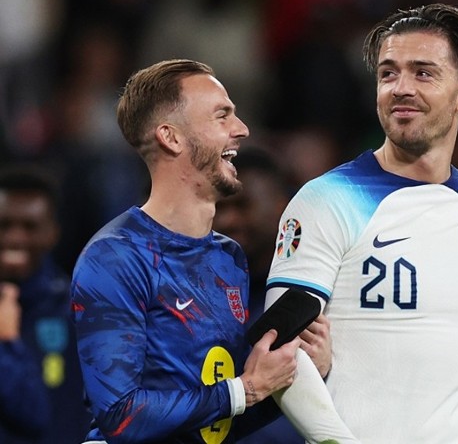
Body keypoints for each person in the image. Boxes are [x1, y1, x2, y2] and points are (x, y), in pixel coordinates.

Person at [70, 59, 357, 444]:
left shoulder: (228, 258)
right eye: (222, 116)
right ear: (171, 137)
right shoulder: (116, 257)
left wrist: (291, 375)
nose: (241, 130)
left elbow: (218, 423)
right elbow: (120, 418)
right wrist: (247, 389)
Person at [265, 3, 458, 443]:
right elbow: (281, 350)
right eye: (388, 73)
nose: (401, 88)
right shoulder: (328, 200)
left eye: (423, 73)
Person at [214, 146, 332, 443]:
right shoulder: (195, 298)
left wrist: (327, 369)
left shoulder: (321, 296)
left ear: (284, 208)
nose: (227, 221)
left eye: (243, 206)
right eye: (220, 208)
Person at [0, 164, 92, 444]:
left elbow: (38, 417)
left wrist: (7, 343)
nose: (16, 238)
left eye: (30, 227)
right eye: (4, 225)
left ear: (53, 232)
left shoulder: (77, 313)